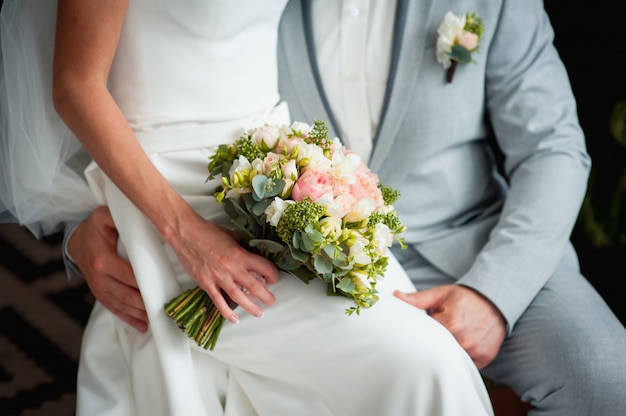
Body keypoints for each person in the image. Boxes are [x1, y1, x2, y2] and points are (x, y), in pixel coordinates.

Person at [58, 0, 626, 415]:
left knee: (604, 373)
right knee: (419, 371)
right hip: (283, 235)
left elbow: (554, 147)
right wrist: (78, 235)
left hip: (476, 240)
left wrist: (493, 295)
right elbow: (115, 82)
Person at [0, 0, 495, 415]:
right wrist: (185, 235)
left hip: (275, 166)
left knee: (425, 353)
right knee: (428, 364)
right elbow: (75, 85)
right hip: (165, 192)